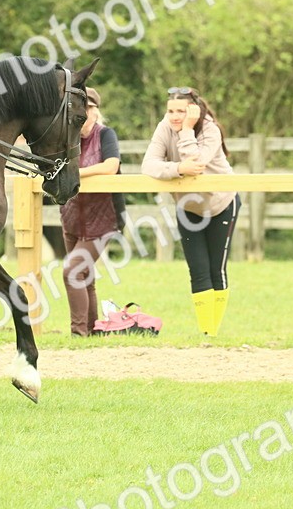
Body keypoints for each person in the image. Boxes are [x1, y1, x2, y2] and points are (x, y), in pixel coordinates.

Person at [141, 87, 241, 336]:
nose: (174, 117)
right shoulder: (165, 127)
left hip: (221, 203)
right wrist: (177, 168)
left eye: (181, 112)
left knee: (215, 269)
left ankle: (214, 333)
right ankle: (207, 334)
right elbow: (149, 164)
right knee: (197, 269)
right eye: (171, 111)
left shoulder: (209, 129)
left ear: (193, 111)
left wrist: (187, 130)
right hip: (188, 206)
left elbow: (196, 164)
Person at [59, 87, 126, 336]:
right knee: (84, 276)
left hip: (103, 220)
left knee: (72, 270)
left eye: (88, 108)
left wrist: (76, 173)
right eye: (79, 108)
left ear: (96, 111)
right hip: (72, 218)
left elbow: (111, 166)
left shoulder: (106, 135)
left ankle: (78, 333)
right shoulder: (68, 138)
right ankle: (93, 329)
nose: (83, 113)